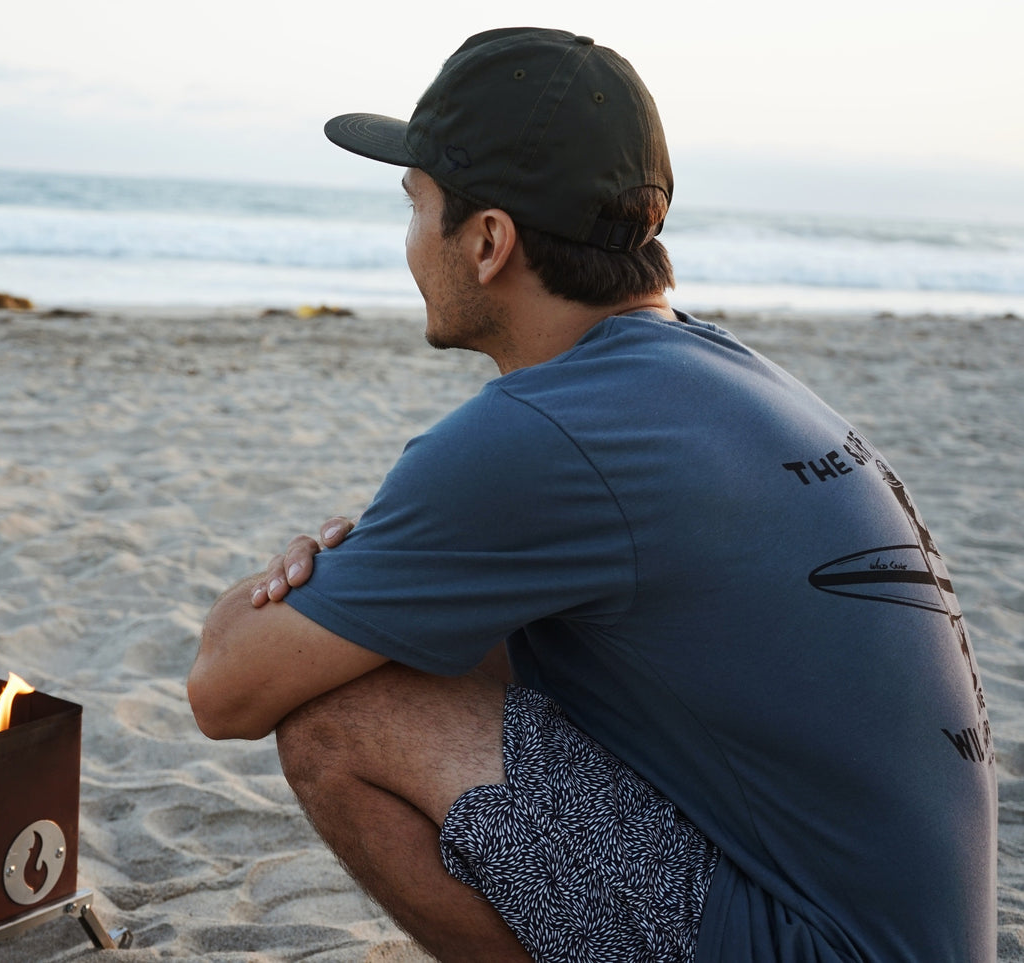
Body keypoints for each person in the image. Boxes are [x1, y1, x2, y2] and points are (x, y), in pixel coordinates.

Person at [187, 26, 996, 963]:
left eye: (415, 204)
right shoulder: (715, 375)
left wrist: (324, 570)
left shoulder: (543, 434)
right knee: (420, 649)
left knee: (346, 714)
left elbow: (226, 689)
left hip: (815, 943)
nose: (408, 239)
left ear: (487, 239)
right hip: (879, 928)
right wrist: (383, 576)